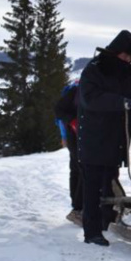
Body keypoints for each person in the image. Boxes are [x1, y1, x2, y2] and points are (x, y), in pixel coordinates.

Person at [77, 30, 131, 247]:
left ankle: (106, 221)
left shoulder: (128, 73)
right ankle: (92, 230)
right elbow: (90, 99)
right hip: (94, 138)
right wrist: (119, 102)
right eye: (125, 56)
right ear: (115, 51)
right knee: (93, 186)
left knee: (110, 182)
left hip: (116, 139)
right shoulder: (94, 70)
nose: (128, 60)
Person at [54, 79, 83, 223]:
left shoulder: (75, 88)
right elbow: (60, 111)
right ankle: (78, 208)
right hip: (74, 134)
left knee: (77, 169)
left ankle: (76, 207)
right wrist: (71, 125)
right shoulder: (76, 90)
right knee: (81, 169)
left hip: (74, 134)